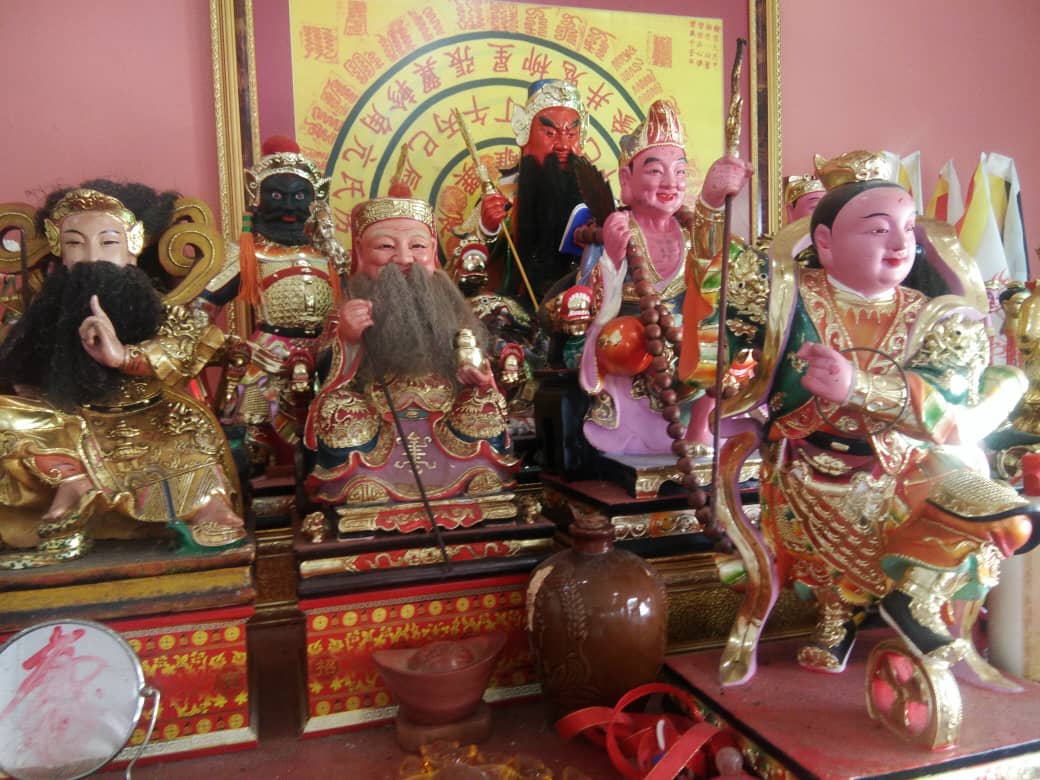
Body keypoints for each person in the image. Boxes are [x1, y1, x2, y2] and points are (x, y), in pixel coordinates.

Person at [715, 150, 1039, 682]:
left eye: (908, 229)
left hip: (906, 467)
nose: (899, 244)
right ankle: (837, 614)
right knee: (821, 557)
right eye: (878, 229)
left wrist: (859, 387)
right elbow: (715, 316)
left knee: (1009, 517)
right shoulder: (788, 296)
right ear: (824, 242)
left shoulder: (931, 313)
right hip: (808, 467)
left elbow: (948, 402)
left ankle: (915, 596)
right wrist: (711, 209)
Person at [0, 186, 245, 568]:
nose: (92, 257)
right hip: (70, 419)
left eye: (108, 242)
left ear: (133, 247)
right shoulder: (44, 310)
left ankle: (204, 505)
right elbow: (19, 368)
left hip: (150, 417)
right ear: (59, 249)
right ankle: (71, 481)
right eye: (75, 243)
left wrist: (123, 357)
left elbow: (180, 352)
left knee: (189, 443)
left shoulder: (162, 310)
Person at [303, 196, 518, 521]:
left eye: (417, 246)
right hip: (377, 419)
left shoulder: (450, 307)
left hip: (446, 415)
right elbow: (325, 382)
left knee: (486, 404)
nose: (404, 258)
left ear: (432, 251)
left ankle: (477, 475)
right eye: (386, 246)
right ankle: (362, 481)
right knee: (337, 409)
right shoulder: (347, 311)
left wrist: (480, 380)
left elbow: (476, 362)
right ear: (360, 251)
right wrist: (348, 340)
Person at [566, 99, 751, 457]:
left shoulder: (692, 232)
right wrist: (613, 259)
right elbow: (587, 307)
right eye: (655, 171)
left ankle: (701, 426)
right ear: (626, 180)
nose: (670, 182)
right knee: (627, 339)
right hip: (637, 355)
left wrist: (715, 199)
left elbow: (716, 281)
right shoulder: (615, 230)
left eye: (680, 172)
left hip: (691, 352)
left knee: (733, 333)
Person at [198, 136, 347, 475]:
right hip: (269, 358)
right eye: (277, 197)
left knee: (332, 429)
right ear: (257, 196)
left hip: (326, 355)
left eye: (300, 197)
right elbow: (205, 303)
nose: (290, 207)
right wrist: (207, 342)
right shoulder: (248, 253)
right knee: (258, 435)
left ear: (316, 199)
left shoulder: (329, 253)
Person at [459, 79, 591, 308]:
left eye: (571, 134)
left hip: (580, 307)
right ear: (525, 134)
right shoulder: (504, 195)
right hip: (517, 308)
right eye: (550, 133)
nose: (563, 145)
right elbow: (464, 266)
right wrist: (487, 229)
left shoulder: (594, 197)